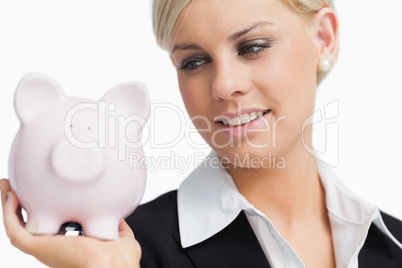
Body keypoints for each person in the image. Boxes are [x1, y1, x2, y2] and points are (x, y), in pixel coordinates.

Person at [1, 0, 402, 267]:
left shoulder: (394, 245)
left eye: (252, 46)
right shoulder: (127, 252)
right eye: (194, 62)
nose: (224, 86)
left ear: (323, 39)